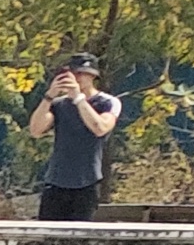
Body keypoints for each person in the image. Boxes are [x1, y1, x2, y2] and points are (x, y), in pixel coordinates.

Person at [29, 58, 123, 220]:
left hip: (87, 182)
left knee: (80, 232)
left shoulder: (107, 102)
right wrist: (49, 96)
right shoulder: (59, 104)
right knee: (48, 232)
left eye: (81, 74)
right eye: (73, 73)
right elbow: (36, 130)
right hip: (56, 182)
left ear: (93, 76)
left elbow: (100, 128)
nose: (76, 78)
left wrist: (79, 99)